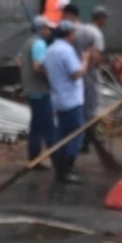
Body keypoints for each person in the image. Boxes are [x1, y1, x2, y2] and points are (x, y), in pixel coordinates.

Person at [42, 20, 89, 184]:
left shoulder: (50, 50)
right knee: (76, 133)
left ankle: (60, 167)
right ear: (69, 34)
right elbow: (75, 73)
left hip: (57, 98)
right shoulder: (66, 51)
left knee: (61, 134)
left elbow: (43, 69)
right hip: (71, 99)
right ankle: (67, 168)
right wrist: (85, 61)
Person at [19, 15, 57, 169]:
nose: (50, 32)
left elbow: (19, 61)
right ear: (41, 29)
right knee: (49, 128)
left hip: (31, 89)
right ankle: (58, 160)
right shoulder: (39, 44)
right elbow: (38, 66)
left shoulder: (28, 43)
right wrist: (53, 77)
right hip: (40, 90)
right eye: (48, 28)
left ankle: (33, 159)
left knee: (36, 127)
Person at [72, 6, 109, 154]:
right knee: (90, 109)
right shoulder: (96, 34)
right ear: (100, 18)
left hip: (78, 72)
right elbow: (96, 57)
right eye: (105, 18)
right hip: (90, 74)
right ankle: (86, 142)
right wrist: (100, 64)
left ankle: (83, 141)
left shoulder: (83, 29)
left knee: (81, 107)